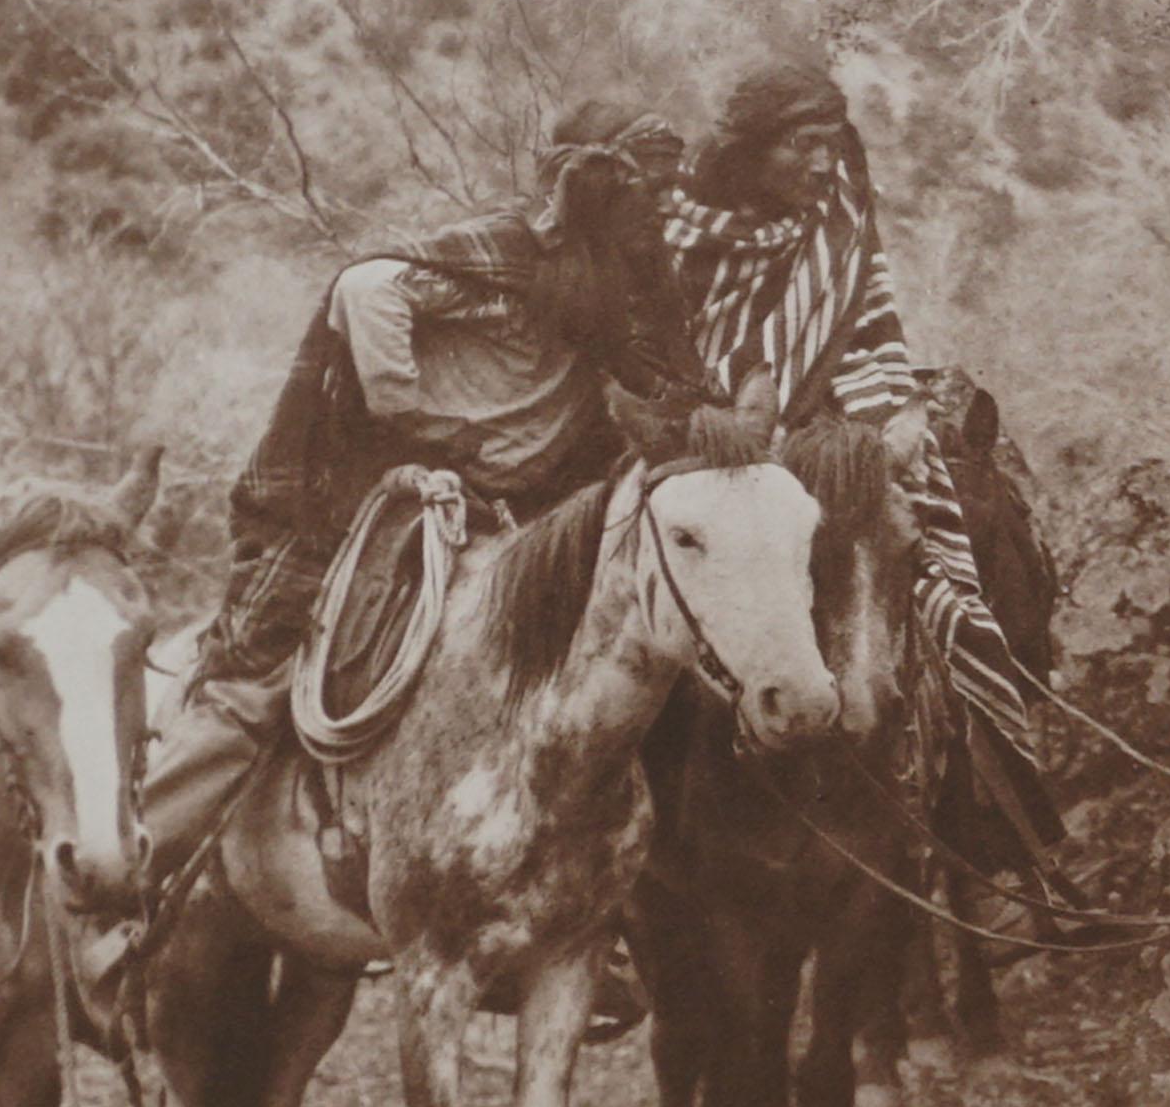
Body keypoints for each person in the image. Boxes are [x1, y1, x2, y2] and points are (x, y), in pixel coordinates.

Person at [142, 103, 705, 895]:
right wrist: (416, 417)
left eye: (670, 187)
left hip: (529, 514)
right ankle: (131, 868)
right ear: (602, 186)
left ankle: (572, 896)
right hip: (399, 493)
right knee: (268, 663)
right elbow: (365, 287)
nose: (664, 204)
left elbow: (666, 383)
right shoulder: (511, 255)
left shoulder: (635, 284)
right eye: (652, 186)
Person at [659, 65, 1056, 845]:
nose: (819, 163)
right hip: (706, 425)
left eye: (825, 145)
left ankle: (978, 781)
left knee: (966, 515)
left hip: (838, 404)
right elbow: (662, 346)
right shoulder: (678, 229)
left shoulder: (837, 204)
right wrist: (729, 418)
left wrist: (895, 411)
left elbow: (871, 318)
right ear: (748, 153)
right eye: (799, 146)